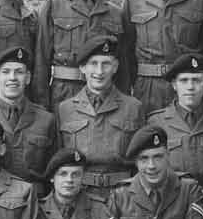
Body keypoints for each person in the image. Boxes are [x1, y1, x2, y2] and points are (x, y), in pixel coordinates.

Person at [34, 0, 127, 109]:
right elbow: (41, 63)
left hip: (105, 98)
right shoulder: (54, 6)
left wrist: (123, 105)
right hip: (63, 95)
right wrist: (41, 109)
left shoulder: (115, 13)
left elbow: (122, 68)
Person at [56, 36, 143, 199]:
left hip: (123, 194)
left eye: (106, 64)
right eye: (93, 64)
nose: (99, 71)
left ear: (115, 67)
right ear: (82, 67)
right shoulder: (65, 109)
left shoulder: (133, 108)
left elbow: (141, 160)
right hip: (81, 194)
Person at [0, 46, 56, 193]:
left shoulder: (46, 120)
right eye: (6, 72)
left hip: (34, 200)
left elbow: (54, 171)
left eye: (19, 72)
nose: (12, 78)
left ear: (28, 78)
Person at [147, 53, 203, 186]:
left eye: (196, 80)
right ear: (174, 85)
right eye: (184, 80)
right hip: (171, 197)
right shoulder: (156, 122)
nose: (190, 87)